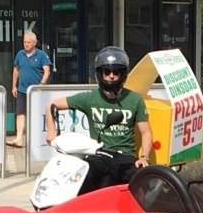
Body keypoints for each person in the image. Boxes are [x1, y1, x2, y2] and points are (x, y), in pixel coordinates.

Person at [45, 46, 154, 193]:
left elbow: (146, 133)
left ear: (123, 73)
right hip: (99, 155)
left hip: (125, 156)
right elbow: (52, 105)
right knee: (78, 179)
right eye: (107, 71)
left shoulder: (135, 100)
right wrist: (51, 134)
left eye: (116, 71)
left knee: (143, 183)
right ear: (100, 74)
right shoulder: (90, 98)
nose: (111, 76)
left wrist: (144, 157)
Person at [10, 31, 52, 147]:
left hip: (36, 91)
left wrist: (41, 85)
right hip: (22, 90)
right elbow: (16, 70)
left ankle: (38, 139)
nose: (26, 44)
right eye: (24, 42)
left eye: (28, 42)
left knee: (37, 115)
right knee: (20, 114)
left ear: (35, 43)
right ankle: (19, 139)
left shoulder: (41, 55)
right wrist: (14, 86)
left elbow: (47, 71)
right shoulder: (20, 54)